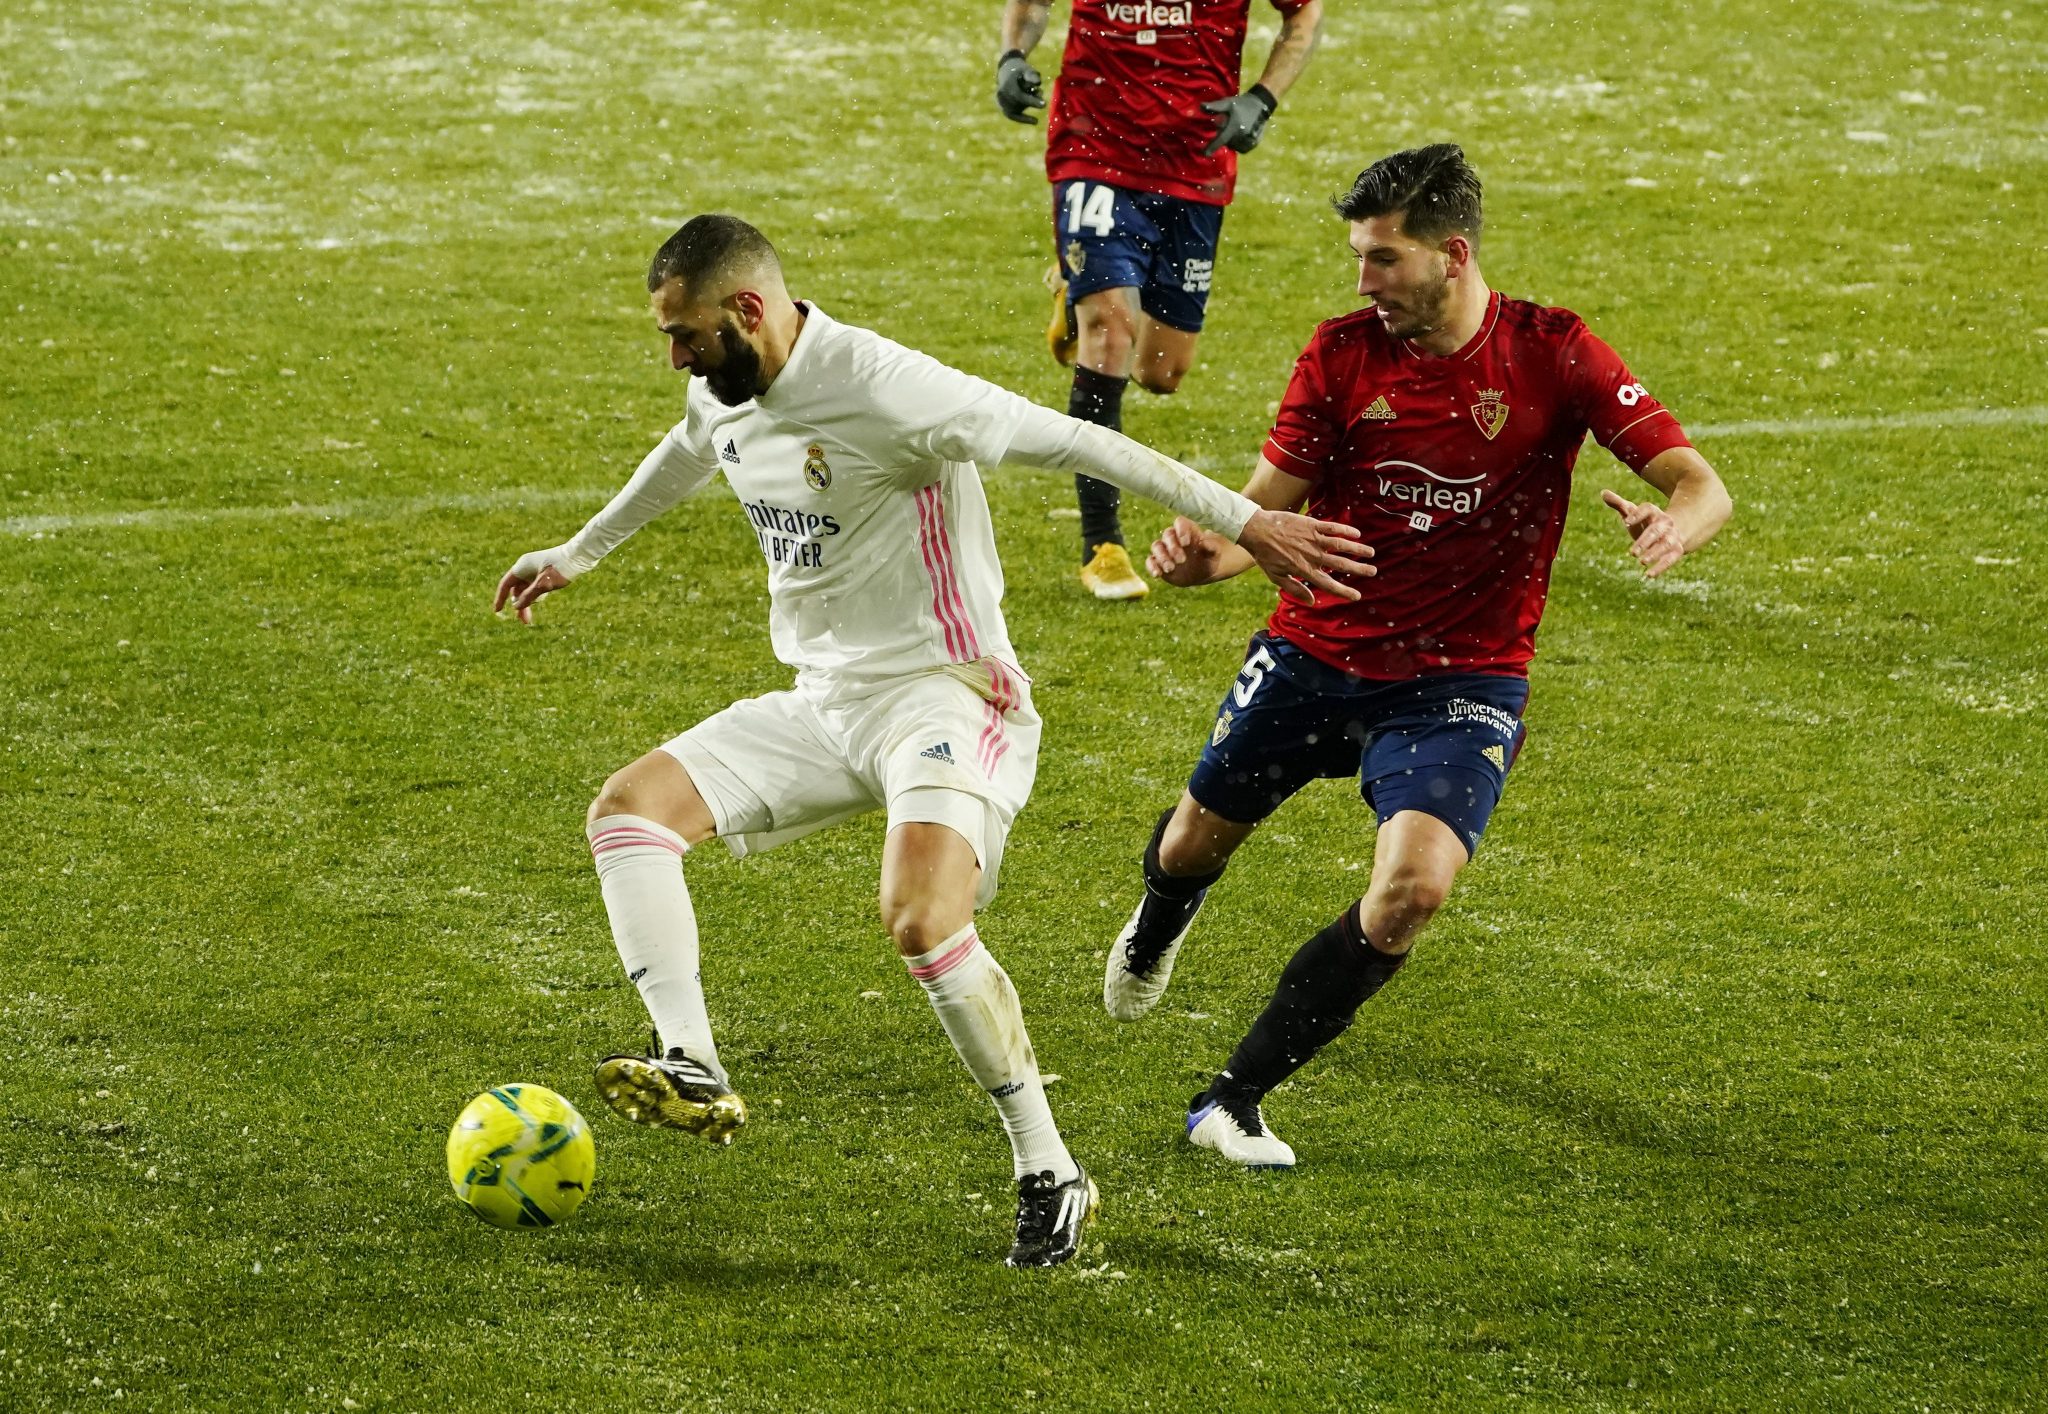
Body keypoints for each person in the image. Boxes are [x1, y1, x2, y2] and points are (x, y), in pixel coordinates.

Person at [492, 215, 1370, 1263]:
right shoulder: (719, 387)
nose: (675, 357)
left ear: (749, 310)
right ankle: (690, 1062)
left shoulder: (885, 385)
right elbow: (687, 451)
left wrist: (1248, 521)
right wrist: (578, 553)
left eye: (685, 334)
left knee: (918, 920)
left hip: (945, 698)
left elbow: (1082, 439)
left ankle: (1048, 1167)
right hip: (824, 701)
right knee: (627, 811)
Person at [1101, 145, 1734, 1169]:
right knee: (1187, 847)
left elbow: (1701, 483)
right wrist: (1203, 556)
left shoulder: (1553, 351)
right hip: (1316, 647)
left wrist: (1675, 525)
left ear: (1452, 254)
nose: (1362, 280)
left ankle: (1231, 1098)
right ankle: (1159, 920)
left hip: (1462, 679)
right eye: (1357, 256)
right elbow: (1265, 512)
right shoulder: (1342, 354)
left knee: (1412, 893)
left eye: (1381, 259)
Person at [993, 0, 1324, 600]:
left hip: (1193, 163)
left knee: (1161, 373)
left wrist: (1263, 97)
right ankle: (1102, 545)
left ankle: (1081, 288)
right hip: (1095, 149)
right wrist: (1013, 56)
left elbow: (1304, 15)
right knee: (1111, 332)